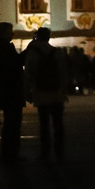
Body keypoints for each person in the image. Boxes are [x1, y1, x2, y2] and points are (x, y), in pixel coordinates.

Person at [25, 26, 66, 164]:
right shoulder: (56, 52)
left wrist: (28, 92)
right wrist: (63, 91)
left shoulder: (33, 53)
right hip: (56, 93)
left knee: (44, 125)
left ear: (37, 37)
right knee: (58, 124)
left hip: (41, 93)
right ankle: (60, 151)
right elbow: (62, 74)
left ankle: (45, 152)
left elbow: (28, 73)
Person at [0, 24, 27, 163]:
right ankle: (11, 155)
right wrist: (28, 50)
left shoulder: (1, 46)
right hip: (11, 92)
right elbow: (15, 63)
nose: (12, 33)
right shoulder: (4, 47)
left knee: (10, 125)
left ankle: (9, 154)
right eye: (10, 31)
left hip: (8, 91)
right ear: (4, 33)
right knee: (12, 125)